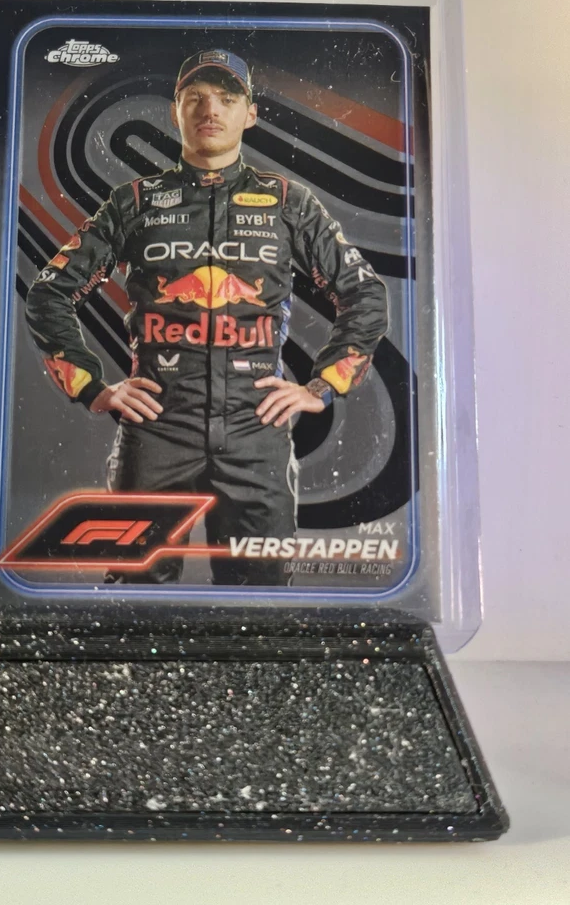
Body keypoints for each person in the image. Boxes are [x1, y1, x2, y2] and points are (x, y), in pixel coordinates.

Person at [25, 49, 388, 586]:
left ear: (250, 113)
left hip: (256, 431)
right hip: (157, 432)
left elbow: (365, 293)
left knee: (262, 598)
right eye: (194, 98)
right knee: (137, 596)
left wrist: (323, 384)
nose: (210, 109)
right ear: (175, 112)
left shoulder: (288, 202)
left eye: (226, 97)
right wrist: (93, 387)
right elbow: (49, 293)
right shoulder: (134, 203)